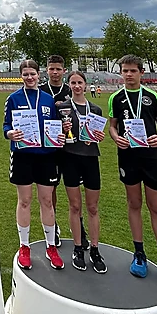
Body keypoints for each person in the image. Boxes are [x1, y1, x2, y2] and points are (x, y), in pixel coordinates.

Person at [108, 55, 157, 290]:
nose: (128, 74)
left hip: (151, 158)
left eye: (133, 70)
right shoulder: (116, 98)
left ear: (141, 72)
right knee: (134, 204)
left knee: (156, 207)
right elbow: (112, 126)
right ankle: (139, 254)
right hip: (128, 157)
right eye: (125, 71)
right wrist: (116, 138)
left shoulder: (153, 96)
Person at [4, 59, 63, 270]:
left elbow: (55, 126)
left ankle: (51, 246)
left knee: (47, 201)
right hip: (22, 155)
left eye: (32, 74)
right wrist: (10, 133)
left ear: (39, 75)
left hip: (46, 156)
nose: (29, 78)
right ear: (21, 76)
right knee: (25, 200)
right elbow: (6, 126)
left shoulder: (48, 99)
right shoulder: (13, 98)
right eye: (25, 74)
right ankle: (24, 246)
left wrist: (59, 136)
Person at [58, 70, 107, 274]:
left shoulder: (95, 109)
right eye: (73, 83)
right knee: (75, 206)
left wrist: (99, 136)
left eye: (80, 82)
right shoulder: (62, 108)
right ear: (69, 85)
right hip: (69, 158)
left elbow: (97, 134)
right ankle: (78, 248)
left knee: (93, 207)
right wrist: (62, 130)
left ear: (85, 85)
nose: (77, 86)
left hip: (90, 159)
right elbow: (56, 135)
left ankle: (94, 249)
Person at [39, 55, 89, 248]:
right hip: (49, 148)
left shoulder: (71, 89)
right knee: (50, 189)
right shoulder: (41, 90)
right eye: (51, 69)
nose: (55, 72)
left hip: (70, 148)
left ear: (64, 70)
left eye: (58, 69)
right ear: (47, 70)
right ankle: (54, 227)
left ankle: (80, 227)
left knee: (74, 191)